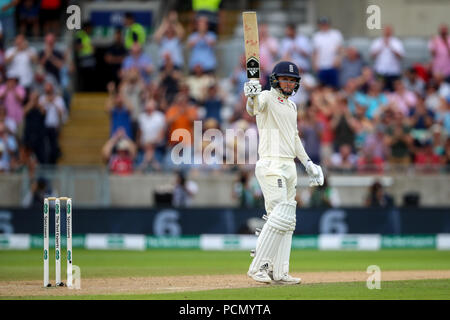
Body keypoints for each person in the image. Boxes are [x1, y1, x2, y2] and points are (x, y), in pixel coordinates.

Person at [244, 61, 324, 284]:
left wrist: (308, 164)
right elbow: (254, 108)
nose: (288, 83)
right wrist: (251, 96)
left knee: (287, 221)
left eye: (292, 80)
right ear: (275, 80)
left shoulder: (292, 107)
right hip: (271, 164)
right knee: (279, 215)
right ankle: (258, 266)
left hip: (290, 166)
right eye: (285, 79)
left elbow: (294, 137)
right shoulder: (267, 97)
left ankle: (279, 272)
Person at [369, 25, 405, 92]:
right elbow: (372, 56)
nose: (387, 32)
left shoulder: (397, 42)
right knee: (379, 89)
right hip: (380, 71)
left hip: (394, 71)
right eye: (386, 30)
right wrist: (381, 46)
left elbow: (401, 56)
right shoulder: (377, 42)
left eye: (389, 30)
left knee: (394, 91)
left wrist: (391, 47)